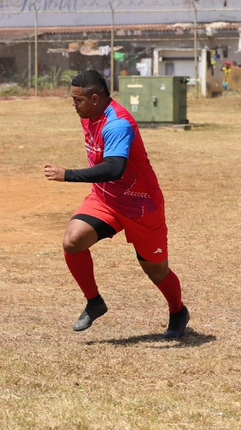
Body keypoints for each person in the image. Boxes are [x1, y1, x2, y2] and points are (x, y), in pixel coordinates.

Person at [43, 70, 189, 338]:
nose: (73, 105)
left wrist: (67, 175)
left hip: (141, 206)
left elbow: (114, 168)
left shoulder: (118, 123)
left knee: (157, 272)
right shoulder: (90, 114)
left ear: (95, 98)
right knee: (72, 242)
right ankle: (94, 302)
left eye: (77, 100)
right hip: (105, 199)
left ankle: (178, 311)